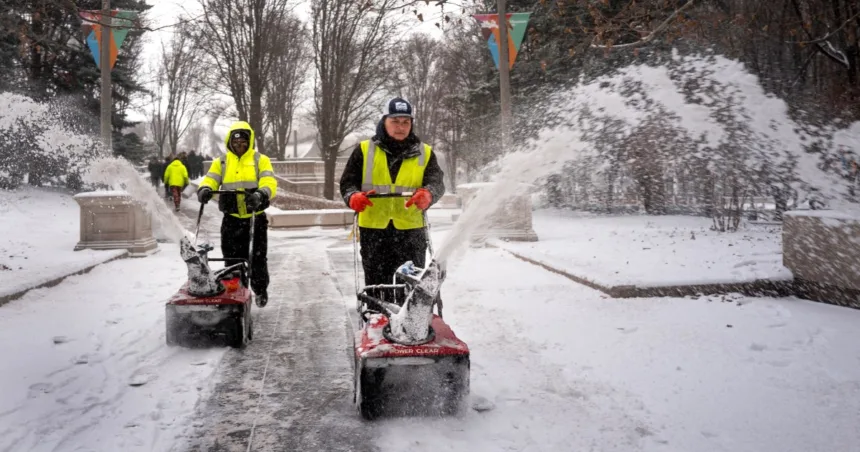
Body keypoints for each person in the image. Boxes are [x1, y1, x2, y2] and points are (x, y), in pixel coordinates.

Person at [339, 98, 445, 299]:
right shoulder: (363, 150)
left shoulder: (425, 152)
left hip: (411, 231)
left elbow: (437, 182)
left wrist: (428, 194)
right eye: (395, 121)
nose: (400, 127)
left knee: (411, 285)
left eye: (406, 122)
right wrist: (353, 196)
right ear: (384, 121)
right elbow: (348, 183)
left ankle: (409, 326)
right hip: (374, 231)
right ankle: (377, 320)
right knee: (377, 283)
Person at [197, 121, 277, 307]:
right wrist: (205, 189)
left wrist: (260, 194)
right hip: (231, 218)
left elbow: (269, 182)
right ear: (229, 142)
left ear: (249, 142)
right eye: (236, 143)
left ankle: (260, 289)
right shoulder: (221, 162)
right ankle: (234, 290)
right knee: (231, 257)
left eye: (243, 143)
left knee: (257, 257)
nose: (239, 146)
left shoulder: (260, 160)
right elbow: (211, 179)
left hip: (255, 217)